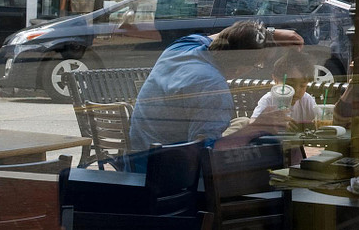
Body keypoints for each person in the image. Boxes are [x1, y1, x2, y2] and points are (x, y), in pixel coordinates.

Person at [129, 19, 303, 162]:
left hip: (140, 159)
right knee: (273, 148)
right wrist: (258, 127)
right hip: (166, 174)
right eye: (258, 64)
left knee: (241, 122)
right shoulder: (213, 88)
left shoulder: (185, 46)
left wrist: (269, 34)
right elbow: (207, 154)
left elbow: (230, 35)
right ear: (239, 67)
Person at [251, 50, 320, 125]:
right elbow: (252, 123)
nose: (296, 91)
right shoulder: (269, 100)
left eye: (302, 86)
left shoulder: (306, 100)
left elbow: (321, 119)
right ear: (276, 80)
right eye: (290, 84)